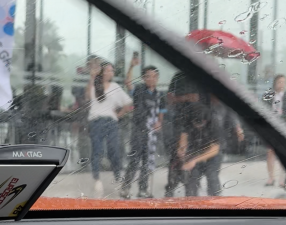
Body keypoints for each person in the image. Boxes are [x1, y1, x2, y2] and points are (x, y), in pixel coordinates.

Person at [86, 60, 133, 198]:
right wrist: (92, 77)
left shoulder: (115, 87)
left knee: (114, 150)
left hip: (111, 122)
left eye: (112, 70)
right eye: (107, 70)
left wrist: (119, 114)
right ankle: (97, 179)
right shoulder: (95, 84)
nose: (110, 72)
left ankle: (118, 177)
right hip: (96, 121)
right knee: (97, 151)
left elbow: (128, 103)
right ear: (102, 72)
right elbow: (87, 96)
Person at [122, 53, 165, 199]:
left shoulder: (160, 95)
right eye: (148, 76)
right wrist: (131, 66)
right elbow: (128, 82)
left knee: (147, 161)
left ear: (157, 78)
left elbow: (161, 113)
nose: (151, 79)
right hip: (138, 130)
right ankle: (125, 188)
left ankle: (143, 189)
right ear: (144, 78)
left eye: (154, 76)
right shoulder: (139, 90)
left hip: (150, 133)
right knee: (134, 160)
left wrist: (159, 123)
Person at [163, 70, 207, 197]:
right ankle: (171, 187)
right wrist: (186, 98)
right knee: (177, 154)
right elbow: (169, 98)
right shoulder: (178, 76)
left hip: (199, 123)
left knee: (197, 154)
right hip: (179, 121)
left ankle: (192, 187)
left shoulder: (204, 76)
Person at [174, 103, 222, 197]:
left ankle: (215, 199)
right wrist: (182, 149)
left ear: (205, 120)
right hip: (195, 150)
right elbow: (184, 136)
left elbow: (215, 149)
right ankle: (191, 198)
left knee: (211, 174)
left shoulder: (214, 123)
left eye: (200, 124)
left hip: (212, 154)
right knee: (192, 177)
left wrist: (194, 160)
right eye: (195, 124)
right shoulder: (188, 120)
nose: (198, 126)